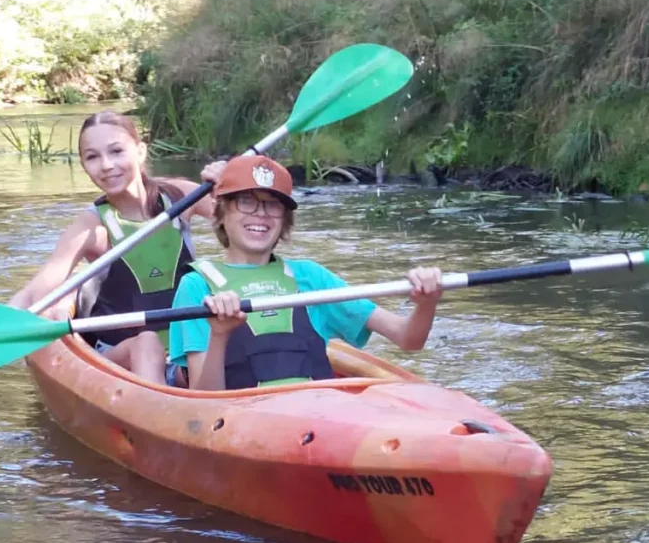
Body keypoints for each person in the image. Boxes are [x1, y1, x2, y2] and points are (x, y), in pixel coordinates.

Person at [168, 155, 443, 391]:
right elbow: (206, 399)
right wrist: (219, 334)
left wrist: (426, 303)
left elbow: (408, 338)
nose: (261, 214)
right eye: (246, 201)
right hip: (241, 425)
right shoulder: (197, 285)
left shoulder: (310, 277)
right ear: (221, 213)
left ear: (284, 220)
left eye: (272, 205)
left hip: (316, 422)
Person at [10, 111, 222, 386]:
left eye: (116, 151)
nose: (107, 165)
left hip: (183, 349)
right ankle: (155, 417)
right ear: (84, 165)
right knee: (146, 344)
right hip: (119, 356)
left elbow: (238, 225)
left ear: (140, 151)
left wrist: (225, 185)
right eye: (93, 157)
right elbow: (37, 292)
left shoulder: (180, 196)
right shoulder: (90, 226)